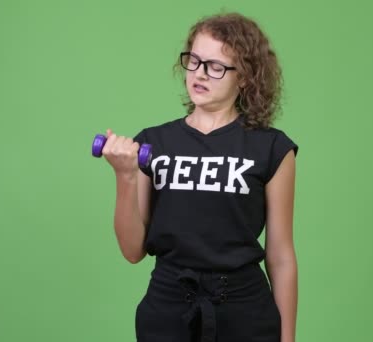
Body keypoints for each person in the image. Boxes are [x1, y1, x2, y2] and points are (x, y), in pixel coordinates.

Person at [101, 12, 298, 342]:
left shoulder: (273, 149)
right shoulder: (152, 143)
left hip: (245, 311)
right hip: (168, 309)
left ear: (246, 77)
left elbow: (280, 257)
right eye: (193, 61)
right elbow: (133, 250)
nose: (199, 74)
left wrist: (288, 339)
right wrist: (126, 176)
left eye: (215, 66)